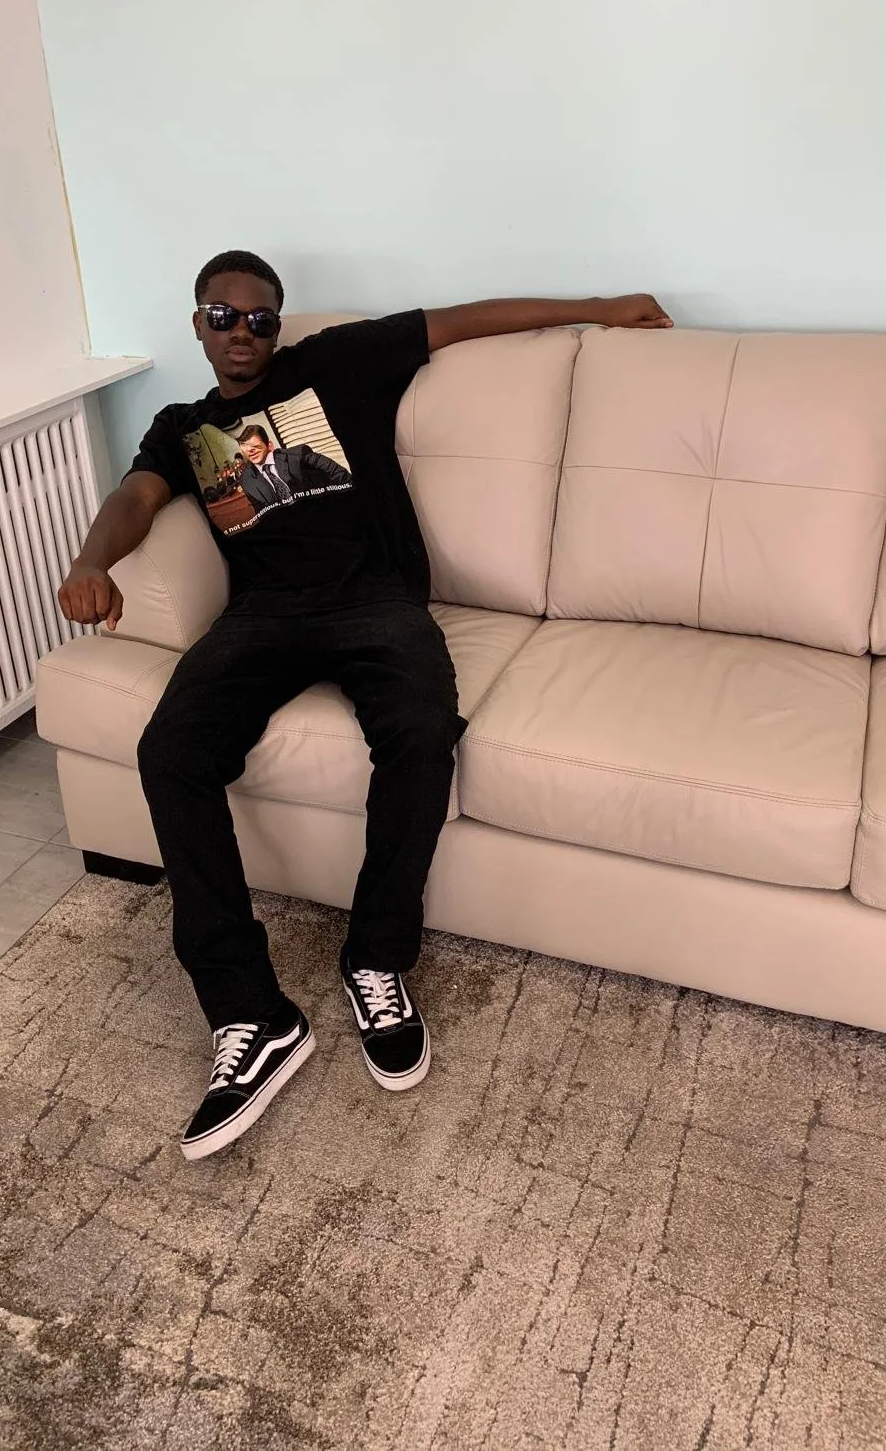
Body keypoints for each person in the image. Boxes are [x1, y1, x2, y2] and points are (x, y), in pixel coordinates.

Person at [57, 250, 671, 1161]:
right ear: (197, 323)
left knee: (423, 732)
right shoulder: (183, 427)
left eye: (261, 319)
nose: (242, 334)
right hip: (260, 620)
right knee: (171, 751)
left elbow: (463, 316)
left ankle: (375, 957)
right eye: (223, 317)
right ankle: (251, 1016)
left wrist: (602, 306)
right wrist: (91, 561)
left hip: (374, 603)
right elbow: (136, 497)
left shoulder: (334, 363)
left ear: (280, 324)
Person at [235, 423, 351, 509]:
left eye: (255, 447)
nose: (251, 451)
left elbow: (341, 475)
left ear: (269, 445)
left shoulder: (298, 454)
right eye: (247, 449)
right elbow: (263, 515)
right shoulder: (246, 481)